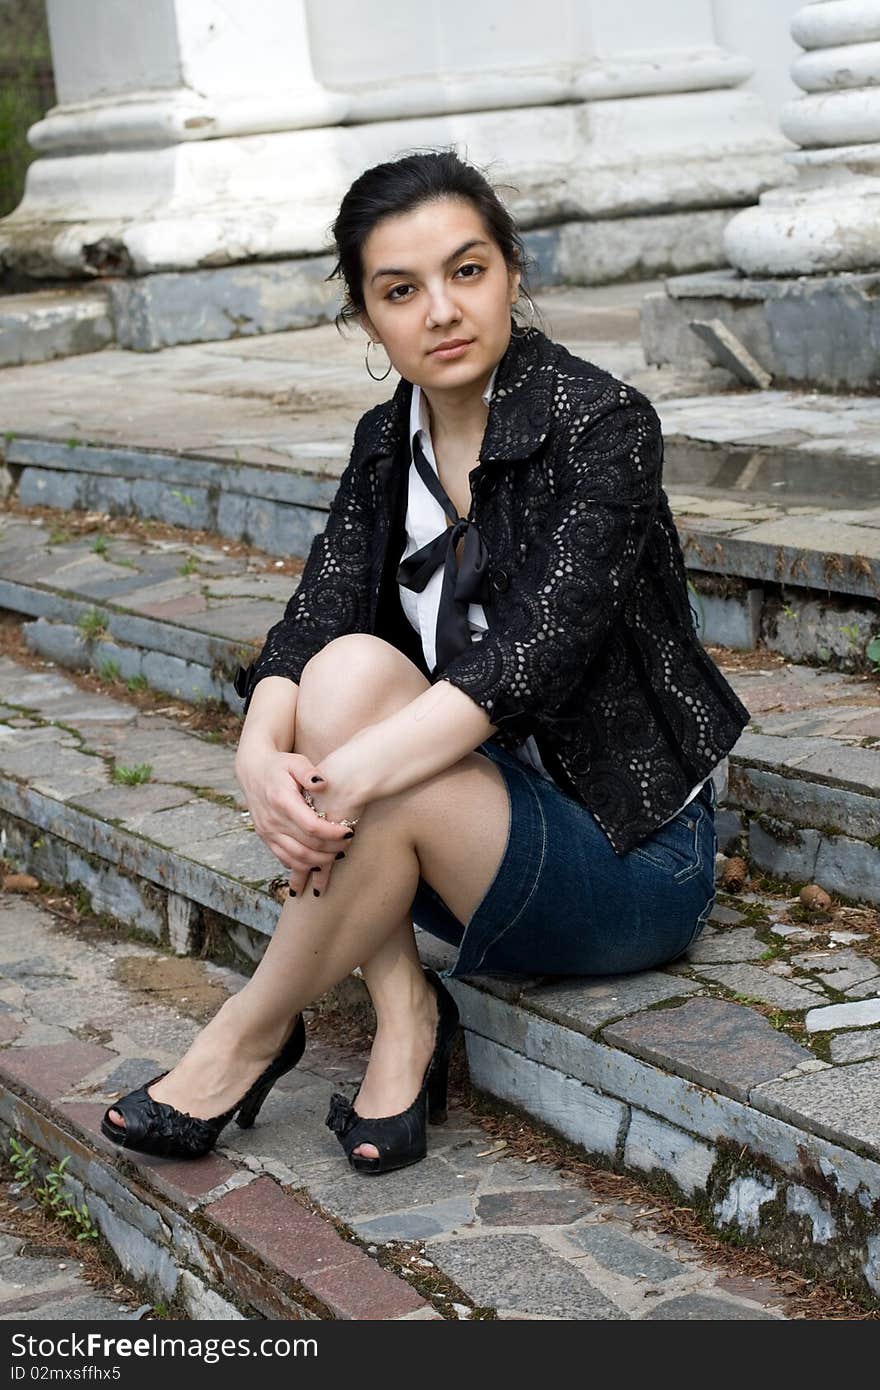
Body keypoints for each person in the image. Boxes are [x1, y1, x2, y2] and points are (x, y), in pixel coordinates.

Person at [101, 149, 750, 1176]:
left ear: (511, 272)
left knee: (378, 770)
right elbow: (313, 617)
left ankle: (247, 1033)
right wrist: (259, 754)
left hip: (626, 855)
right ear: (367, 318)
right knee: (346, 673)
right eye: (400, 290)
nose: (440, 311)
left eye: (467, 271)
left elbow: (531, 656)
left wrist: (338, 780)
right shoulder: (384, 440)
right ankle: (405, 1006)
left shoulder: (603, 427)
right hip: (460, 835)